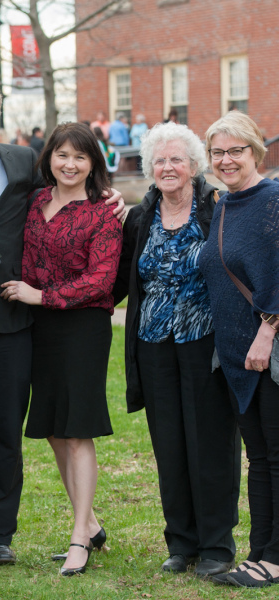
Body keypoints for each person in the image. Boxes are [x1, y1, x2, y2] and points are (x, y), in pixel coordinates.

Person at [0, 83, 126, 569]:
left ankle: (1, 535)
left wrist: (112, 199)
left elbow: (100, 269)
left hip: (23, 321)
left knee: (10, 431)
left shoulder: (20, 163)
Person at [113, 122, 241, 578]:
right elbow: (122, 276)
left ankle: (216, 546)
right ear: (149, 169)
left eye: (176, 159)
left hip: (205, 344)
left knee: (211, 443)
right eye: (159, 161)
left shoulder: (216, 209)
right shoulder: (140, 217)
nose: (167, 167)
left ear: (194, 166)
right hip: (153, 346)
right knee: (169, 446)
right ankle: (181, 542)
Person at [1, 122, 122, 577]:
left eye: (80, 157)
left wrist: (40, 295)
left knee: (76, 430)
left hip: (82, 327)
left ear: (94, 164)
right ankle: (89, 524)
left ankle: (78, 539)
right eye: (62, 155)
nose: (70, 165)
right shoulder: (36, 201)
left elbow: (101, 280)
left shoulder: (104, 212)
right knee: (53, 428)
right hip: (41, 329)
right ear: (48, 157)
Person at [199, 110, 279, 589]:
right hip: (235, 354)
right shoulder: (225, 203)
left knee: (277, 455)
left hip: (268, 352)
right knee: (261, 457)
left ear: (256, 151)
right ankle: (260, 552)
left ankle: (275, 558)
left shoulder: (273, 201)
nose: (227, 160)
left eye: (236, 150)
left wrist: (267, 332)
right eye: (218, 153)